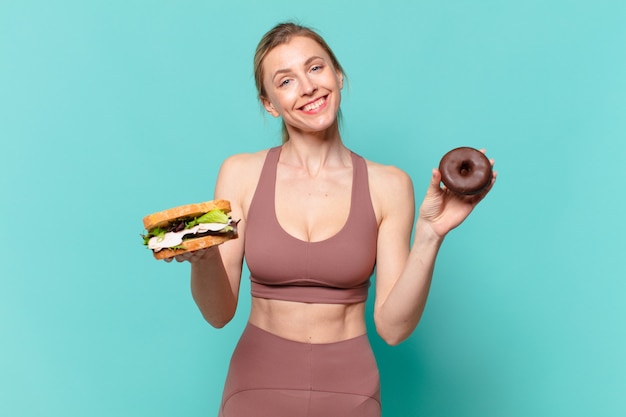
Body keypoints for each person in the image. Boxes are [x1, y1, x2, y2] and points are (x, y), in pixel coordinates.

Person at [169, 22, 496, 417]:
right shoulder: (239, 173)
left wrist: (431, 233)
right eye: (286, 80)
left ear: (338, 76)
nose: (307, 87)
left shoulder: (390, 184)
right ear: (269, 103)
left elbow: (393, 329)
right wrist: (202, 259)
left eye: (315, 68)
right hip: (256, 382)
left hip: (350, 389)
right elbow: (218, 313)